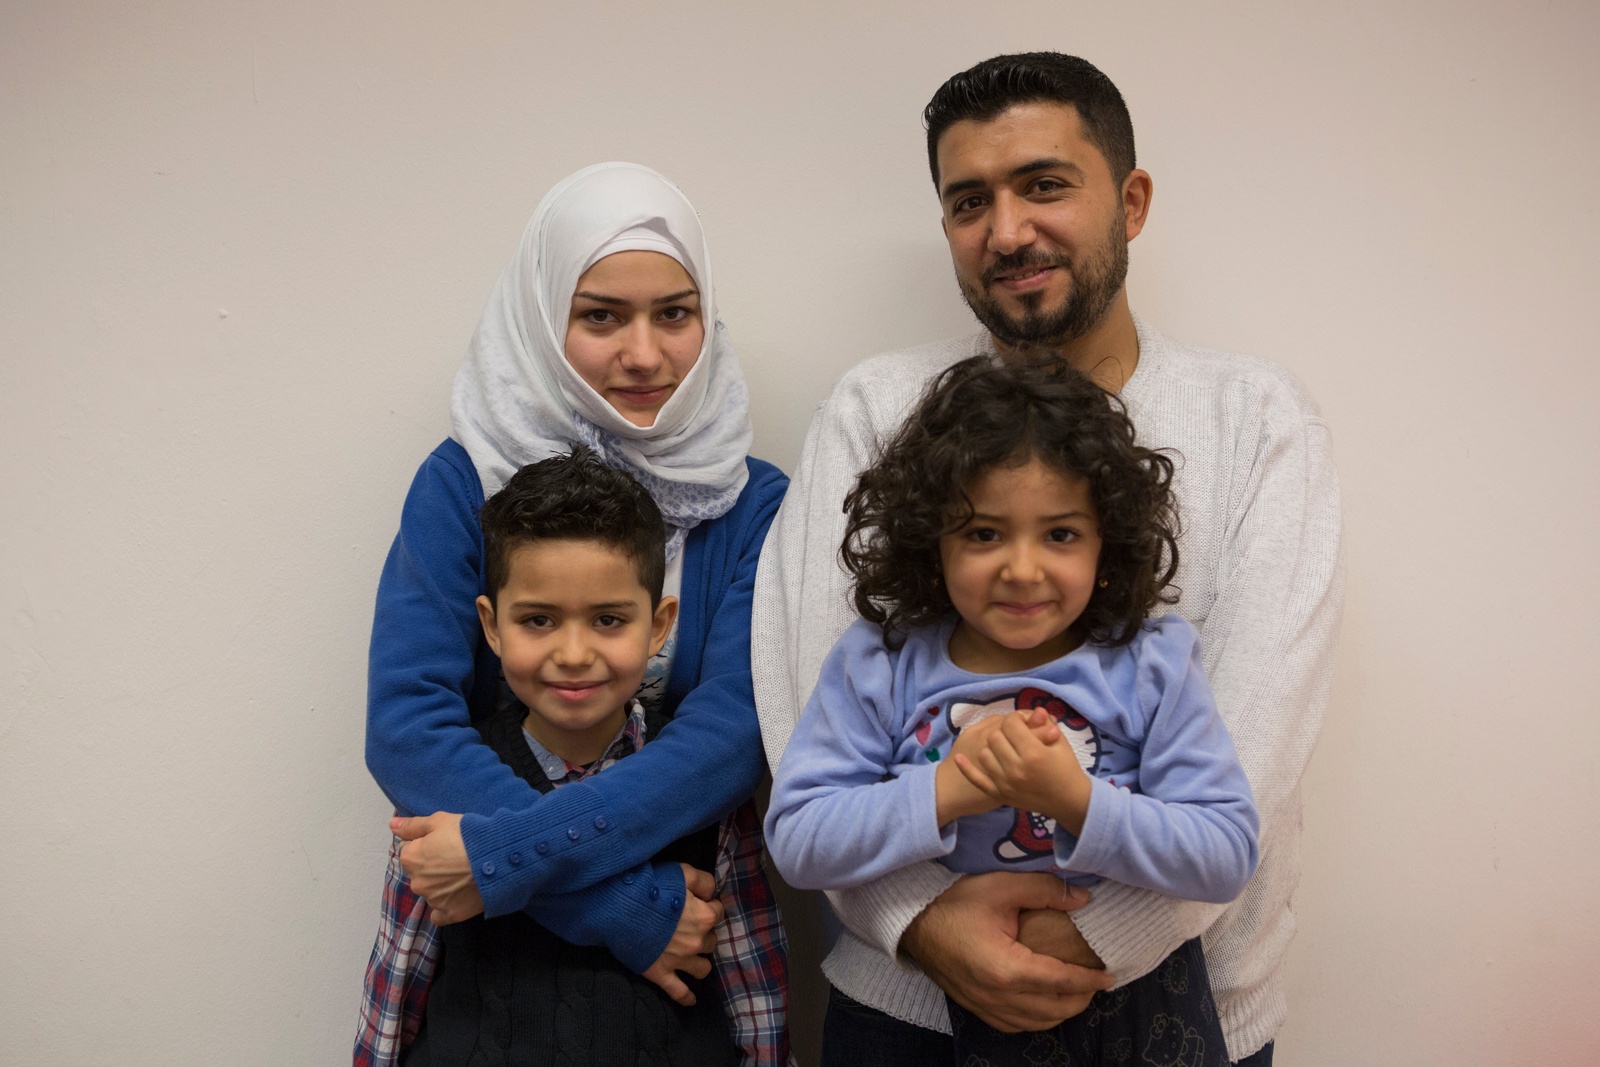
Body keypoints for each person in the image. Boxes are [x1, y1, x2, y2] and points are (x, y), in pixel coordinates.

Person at [750, 53, 1343, 1066]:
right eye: (969, 200)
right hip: (903, 1013)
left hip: (1178, 1007)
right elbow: (807, 712)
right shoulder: (873, 409)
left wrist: (1087, 939)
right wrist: (926, 927)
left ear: (1131, 198)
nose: (1008, 229)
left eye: (1045, 185)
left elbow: (1252, 744)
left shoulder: (1256, 416)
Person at [353, 163, 789, 1066]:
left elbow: (733, 735)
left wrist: (504, 857)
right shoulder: (462, 478)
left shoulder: (752, 502)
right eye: (600, 316)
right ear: (544, 319)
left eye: (674, 312)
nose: (644, 353)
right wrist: (625, 909)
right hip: (512, 964)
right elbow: (406, 730)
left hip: (676, 974)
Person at [765, 358, 1259, 1067]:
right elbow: (800, 837)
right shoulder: (882, 658)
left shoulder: (1153, 661)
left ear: (1106, 541)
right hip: (923, 1024)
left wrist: (1072, 798)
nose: (1022, 569)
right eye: (983, 533)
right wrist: (951, 788)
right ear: (931, 541)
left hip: (1137, 1016)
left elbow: (1225, 853)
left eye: (1060, 534)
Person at [400, 446, 758, 1065]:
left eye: (608, 620)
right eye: (538, 620)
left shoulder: (708, 797)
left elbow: (756, 989)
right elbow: (397, 980)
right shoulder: (448, 795)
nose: (572, 653)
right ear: (491, 626)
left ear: (659, 625)